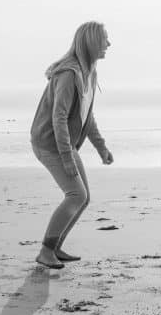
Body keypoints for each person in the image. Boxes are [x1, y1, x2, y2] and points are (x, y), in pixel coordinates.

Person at [30, 21, 114, 269]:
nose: (108, 44)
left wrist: (101, 147)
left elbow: (87, 117)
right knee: (76, 195)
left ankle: (54, 249)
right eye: (104, 39)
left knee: (83, 198)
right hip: (49, 143)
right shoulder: (68, 74)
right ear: (91, 42)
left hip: (64, 144)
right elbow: (59, 117)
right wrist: (67, 157)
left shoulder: (90, 73)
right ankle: (46, 251)